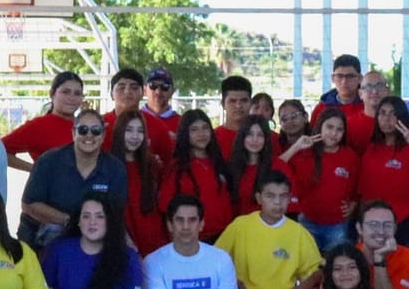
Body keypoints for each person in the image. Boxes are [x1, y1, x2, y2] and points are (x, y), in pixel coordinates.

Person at [20, 107, 126, 250]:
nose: (89, 135)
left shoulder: (115, 168)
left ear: (103, 135)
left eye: (95, 130)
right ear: (73, 133)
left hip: (95, 238)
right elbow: (29, 205)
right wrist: (72, 222)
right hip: (44, 237)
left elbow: (115, 214)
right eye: (83, 130)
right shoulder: (49, 160)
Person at [357, 96, 409, 250]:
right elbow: (363, 192)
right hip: (371, 224)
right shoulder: (371, 149)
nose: (387, 118)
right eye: (382, 113)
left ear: (401, 117)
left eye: (393, 114)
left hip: (402, 223)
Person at [282, 109, 359, 253]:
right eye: (329, 127)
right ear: (320, 126)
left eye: (339, 129)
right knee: (308, 269)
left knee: (335, 266)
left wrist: (353, 206)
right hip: (306, 221)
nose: (334, 133)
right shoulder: (304, 153)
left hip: (337, 224)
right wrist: (296, 147)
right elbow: (277, 167)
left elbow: (356, 189)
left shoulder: (350, 156)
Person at [158, 110, 235, 242]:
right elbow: (166, 207)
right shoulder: (176, 168)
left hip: (225, 236)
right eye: (194, 129)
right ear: (185, 134)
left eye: (205, 128)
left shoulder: (219, 163)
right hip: (193, 239)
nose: (201, 134)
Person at [2, 71, 87, 171]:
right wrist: (35, 169)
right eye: (65, 92)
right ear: (52, 94)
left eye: (77, 93)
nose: (72, 98)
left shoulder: (89, 127)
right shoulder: (37, 126)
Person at [113, 108, 167, 256]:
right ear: (119, 132)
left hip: (153, 239)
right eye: (129, 130)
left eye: (140, 131)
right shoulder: (109, 165)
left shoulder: (152, 165)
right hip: (123, 240)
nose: (135, 136)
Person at [226, 116, 289, 216]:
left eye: (260, 135)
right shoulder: (233, 167)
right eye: (250, 134)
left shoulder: (278, 166)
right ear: (242, 136)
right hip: (241, 227)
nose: (255, 140)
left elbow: (289, 206)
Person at [310, 55, 374, 152]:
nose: (344, 81)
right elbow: (314, 140)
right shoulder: (321, 108)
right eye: (340, 76)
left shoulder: (369, 105)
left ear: (360, 78)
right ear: (333, 78)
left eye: (350, 76)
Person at [213, 74, 253, 159]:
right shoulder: (211, 139)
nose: (238, 106)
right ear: (223, 104)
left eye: (244, 100)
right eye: (232, 101)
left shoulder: (268, 138)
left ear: (251, 103)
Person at [141, 68, 182, 147]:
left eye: (165, 86)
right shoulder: (133, 119)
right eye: (153, 86)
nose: (158, 91)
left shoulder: (183, 123)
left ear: (172, 91)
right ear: (144, 90)